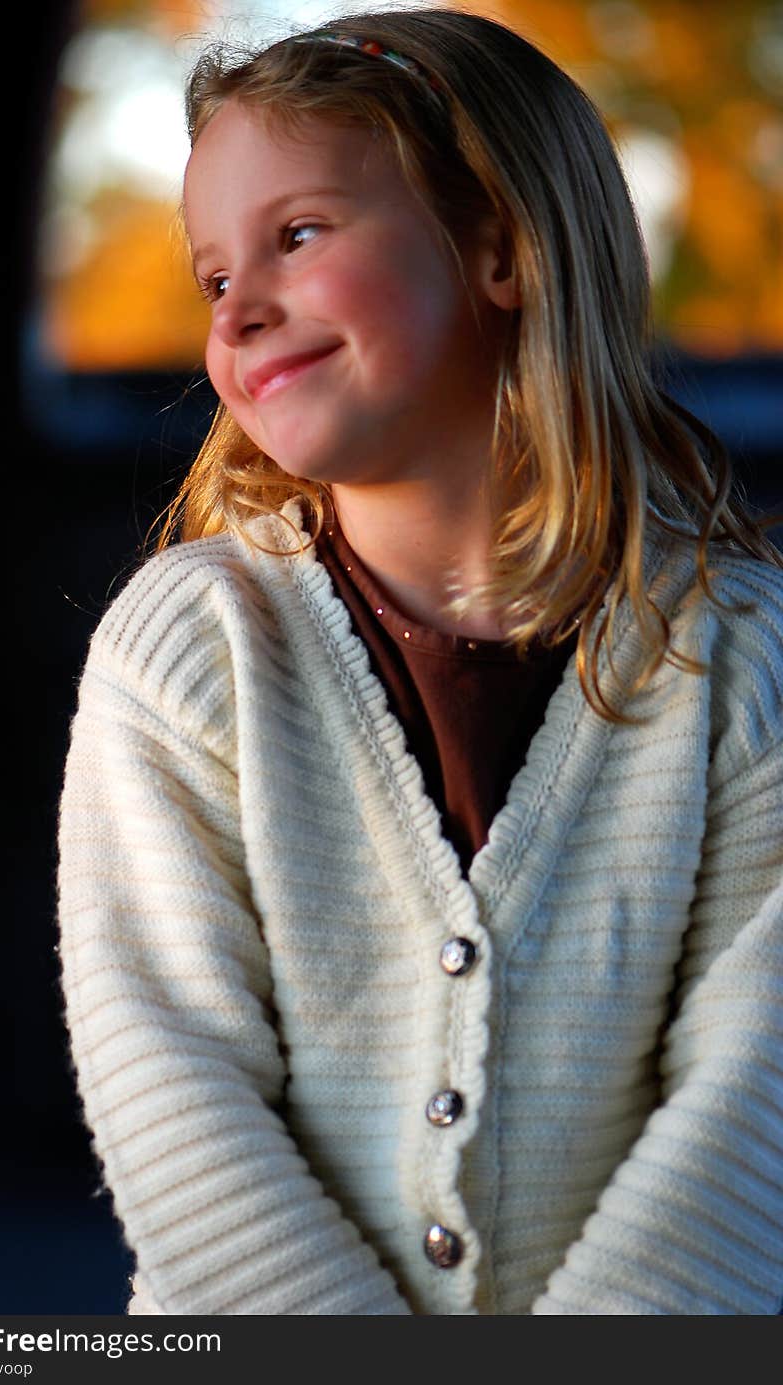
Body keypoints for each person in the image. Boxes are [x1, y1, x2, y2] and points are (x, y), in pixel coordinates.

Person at [57, 8, 783, 1315]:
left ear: (500, 248)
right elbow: (169, 1082)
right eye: (214, 276)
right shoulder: (185, 650)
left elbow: (757, 1101)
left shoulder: (741, 657)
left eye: (298, 236)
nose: (243, 308)